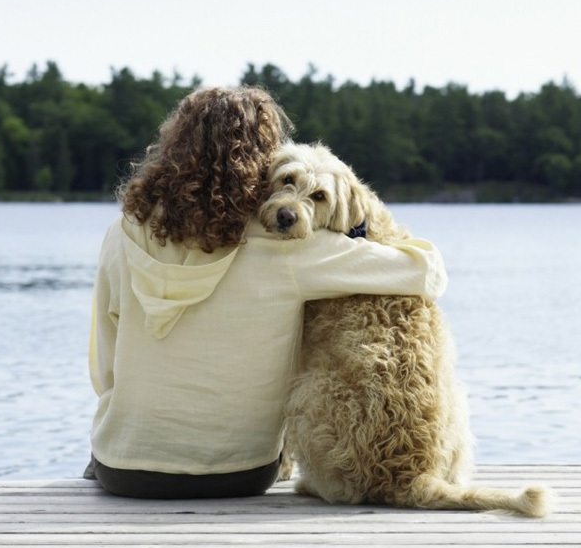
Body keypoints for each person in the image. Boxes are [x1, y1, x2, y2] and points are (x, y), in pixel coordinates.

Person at [86, 86, 447, 499]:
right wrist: (364, 221)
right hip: (240, 473)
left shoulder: (122, 232)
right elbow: (427, 273)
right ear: (261, 162)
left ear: (172, 147)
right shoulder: (290, 248)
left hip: (124, 470)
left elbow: (104, 365)